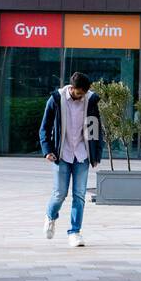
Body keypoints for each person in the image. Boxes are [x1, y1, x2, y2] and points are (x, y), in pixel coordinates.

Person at [39, 72, 103, 247]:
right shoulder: (56, 100)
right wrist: (47, 150)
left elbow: (95, 128)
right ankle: (50, 216)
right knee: (60, 194)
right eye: (79, 93)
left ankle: (75, 232)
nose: (81, 96)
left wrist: (96, 154)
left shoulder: (90, 101)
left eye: (84, 94)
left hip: (81, 154)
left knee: (79, 196)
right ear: (72, 88)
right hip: (62, 154)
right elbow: (44, 128)